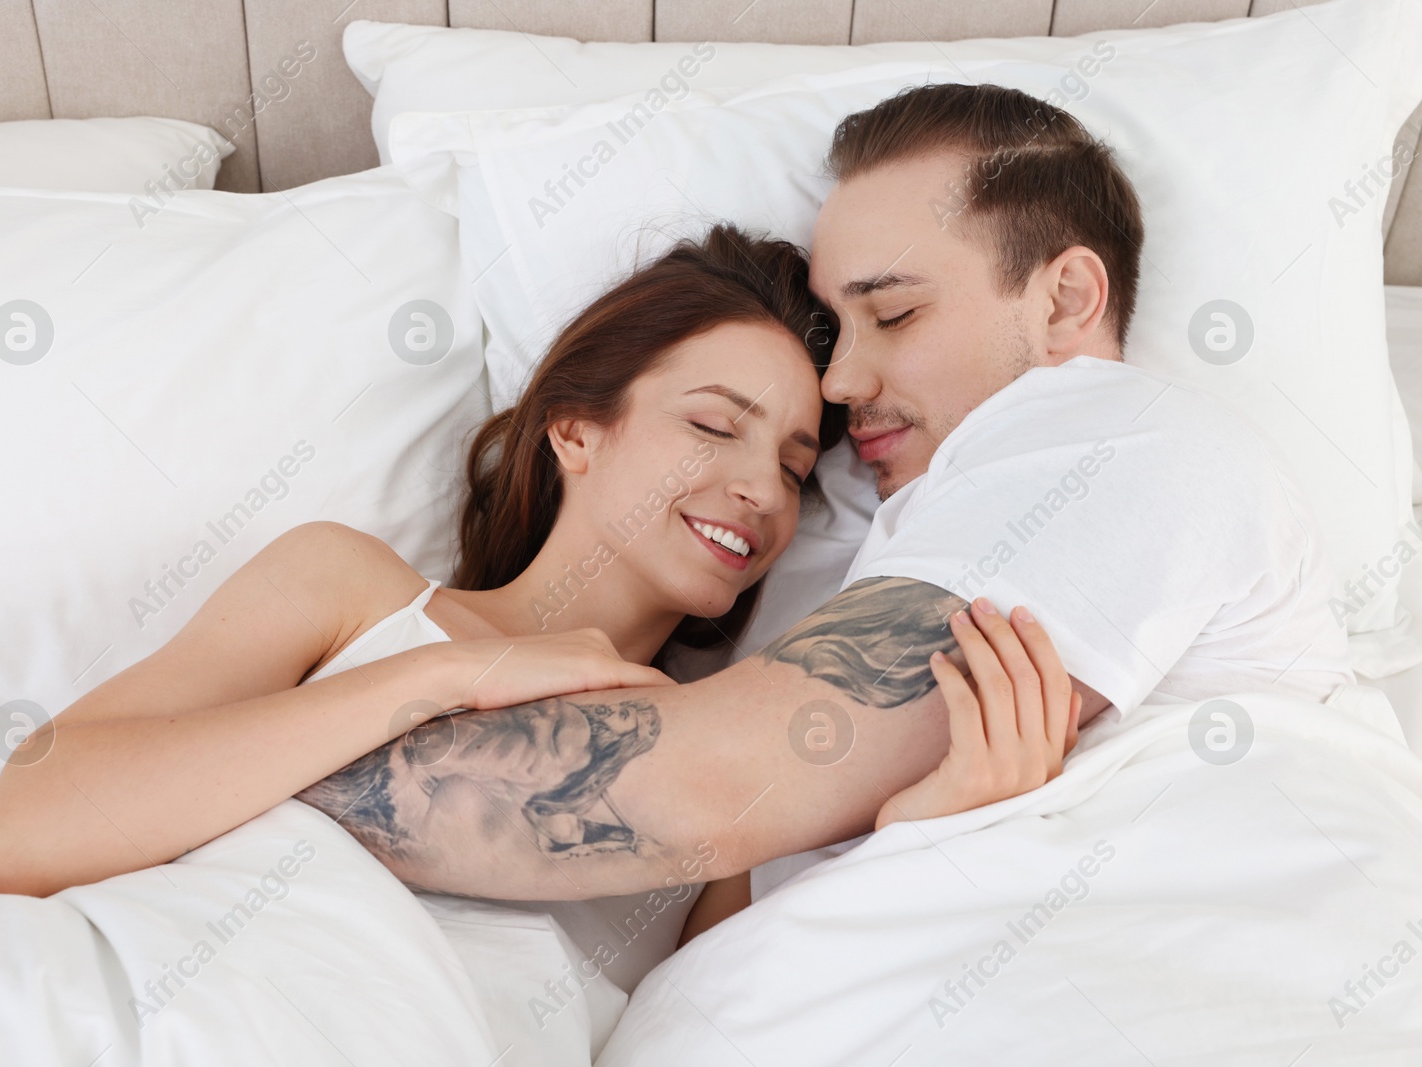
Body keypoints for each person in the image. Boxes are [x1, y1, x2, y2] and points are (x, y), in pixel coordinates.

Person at [204, 80, 1360, 907]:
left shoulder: (1113, 439)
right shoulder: (958, 521)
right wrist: (915, 834)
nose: (845, 380)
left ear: (1063, 301)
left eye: (894, 311)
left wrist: (186, 772)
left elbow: (698, 786)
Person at [0, 223, 1072, 910]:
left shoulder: (713, 768)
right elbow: (21, 828)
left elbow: (722, 1025)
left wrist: (929, 829)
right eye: (712, 424)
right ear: (576, 430)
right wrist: (439, 678)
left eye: (792, 465)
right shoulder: (350, 592)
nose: (760, 490)